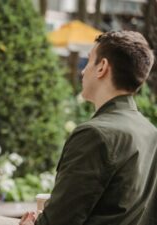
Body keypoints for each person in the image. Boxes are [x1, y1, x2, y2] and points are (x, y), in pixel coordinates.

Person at [20, 30, 157, 225]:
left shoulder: (95, 134)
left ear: (102, 67)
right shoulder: (151, 133)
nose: (83, 71)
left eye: (89, 60)